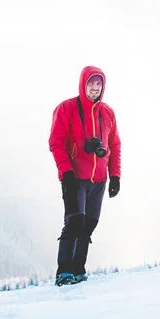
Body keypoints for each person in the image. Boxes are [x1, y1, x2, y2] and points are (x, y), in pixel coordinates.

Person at [49, 65, 121, 286]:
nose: (95, 88)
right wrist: (66, 172)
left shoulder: (107, 113)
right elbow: (56, 143)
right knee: (74, 222)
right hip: (74, 178)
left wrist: (115, 175)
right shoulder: (66, 109)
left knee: (89, 224)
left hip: (98, 180)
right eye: (91, 83)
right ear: (83, 84)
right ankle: (64, 272)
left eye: (99, 84)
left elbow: (114, 145)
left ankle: (79, 269)